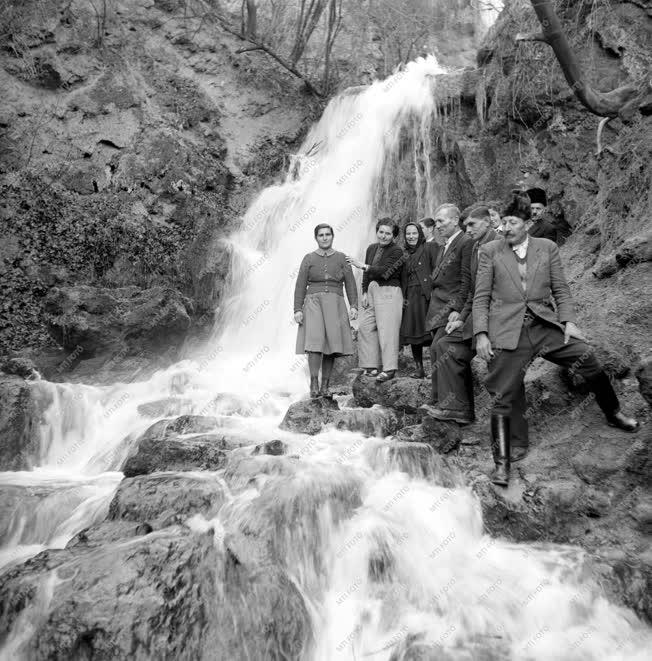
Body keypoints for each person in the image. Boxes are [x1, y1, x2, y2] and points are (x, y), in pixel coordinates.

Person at [473, 192, 639, 487]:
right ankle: (502, 463)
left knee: (589, 360)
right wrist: (482, 334)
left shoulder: (547, 247)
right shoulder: (489, 251)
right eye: (504, 223)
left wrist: (569, 322)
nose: (506, 228)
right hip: (508, 331)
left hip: (545, 325)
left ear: (526, 223)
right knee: (503, 395)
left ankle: (613, 413)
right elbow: (481, 297)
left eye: (512, 222)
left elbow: (561, 289)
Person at [432, 207, 530, 456]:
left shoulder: (502, 244)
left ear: (488, 223)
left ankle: (517, 440)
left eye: (473, 225)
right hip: (476, 317)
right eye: (466, 226)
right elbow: (471, 291)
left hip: (501, 319)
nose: (468, 230)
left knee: (506, 373)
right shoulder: (474, 248)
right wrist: (461, 318)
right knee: (446, 345)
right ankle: (458, 409)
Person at [294, 224, 358, 398]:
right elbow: (300, 285)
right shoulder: (308, 258)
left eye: (328, 234)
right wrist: (297, 309)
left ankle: (326, 386)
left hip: (336, 303)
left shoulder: (342, 258)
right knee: (315, 342)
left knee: (331, 344)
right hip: (313, 302)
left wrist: (354, 306)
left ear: (332, 236)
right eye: (321, 235)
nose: (324, 237)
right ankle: (314, 383)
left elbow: (350, 284)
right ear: (316, 238)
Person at [423, 203, 474, 407]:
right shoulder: (445, 245)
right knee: (435, 350)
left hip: (450, 308)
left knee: (441, 349)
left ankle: (446, 402)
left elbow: (466, 280)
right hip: (438, 308)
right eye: (435, 222)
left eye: (441, 221)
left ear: (455, 220)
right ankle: (437, 399)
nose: (437, 226)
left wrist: (457, 310)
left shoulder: (465, 242)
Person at [347, 218, 405, 383]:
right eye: (381, 232)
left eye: (388, 233)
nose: (384, 236)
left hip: (389, 291)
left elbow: (385, 271)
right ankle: (371, 366)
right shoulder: (371, 248)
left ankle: (389, 369)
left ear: (393, 236)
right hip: (372, 291)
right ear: (377, 231)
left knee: (388, 331)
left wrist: (363, 266)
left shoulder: (397, 251)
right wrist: (364, 291)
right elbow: (367, 274)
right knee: (365, 327)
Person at [399, 222, 438, 378]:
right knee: (414, 332)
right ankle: (419, 368)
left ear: (420, 233)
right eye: (408, 233)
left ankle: (436, 369)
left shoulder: (430, 247)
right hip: (410, 296)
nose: (411, 236)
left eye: (414, 233)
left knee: (431, 331)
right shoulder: (404, 253)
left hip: (426, 294)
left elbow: (437, 268)